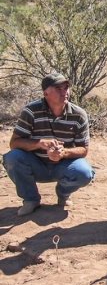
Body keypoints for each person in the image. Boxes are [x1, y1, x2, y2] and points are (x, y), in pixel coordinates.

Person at [3, 72, 95, 216]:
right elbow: (14, 143)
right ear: (46, 93)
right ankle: (30, 199)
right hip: (36, 164)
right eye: (59, 88)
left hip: (63, 165)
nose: (64, 92)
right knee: (12, 158)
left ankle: (63, 194)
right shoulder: (31, 111)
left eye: (66, 88)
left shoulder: (78, 114)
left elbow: (84, 149)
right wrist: (39, 143)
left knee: (84, 173)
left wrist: (63, 153)